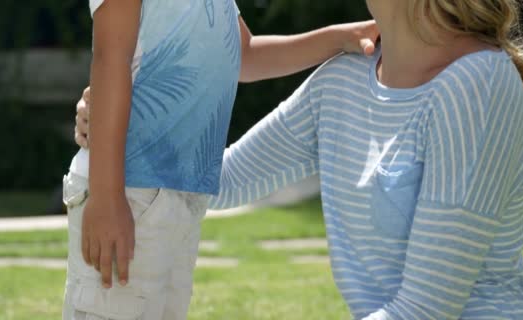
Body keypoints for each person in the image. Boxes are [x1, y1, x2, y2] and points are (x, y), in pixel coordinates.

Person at [76, 0, 523, 318]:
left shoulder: (479, 83)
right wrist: (120, 132)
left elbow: (426, 309)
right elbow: (219, 179)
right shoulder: (344, 80)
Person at [63, 0, 379, 319]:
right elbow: (110, 60)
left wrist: (340, 37)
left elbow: (245, 54)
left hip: (176, 201)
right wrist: (106, 198)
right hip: (127, 195)